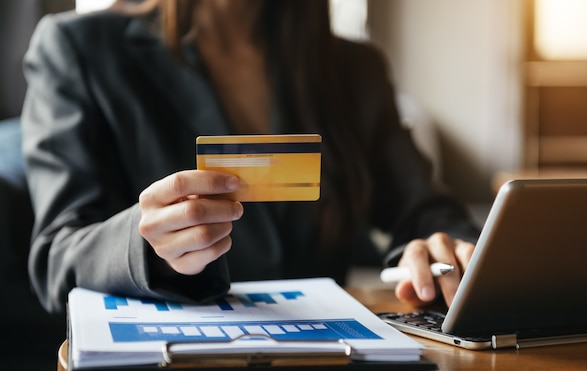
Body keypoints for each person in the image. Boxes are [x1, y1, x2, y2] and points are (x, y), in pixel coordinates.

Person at [21, 0, 480, 316]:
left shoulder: (353, 69)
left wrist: (445, 250)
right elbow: (56, 256)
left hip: (334, 370)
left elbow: (426, 210)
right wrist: (147, 246)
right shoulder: (78, 48)